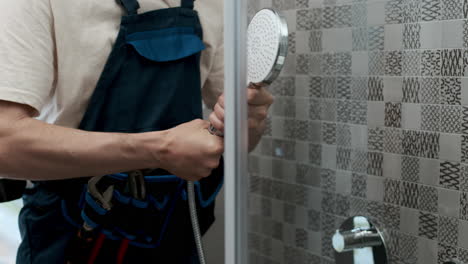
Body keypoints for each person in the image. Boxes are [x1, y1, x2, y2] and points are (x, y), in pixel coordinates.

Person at [0, 0, 273, 263]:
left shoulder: (217, 5)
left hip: (173, 230)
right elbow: (5, 144)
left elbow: (236, 138)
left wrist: (248, 122)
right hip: (71, 231)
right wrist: (159, 149)